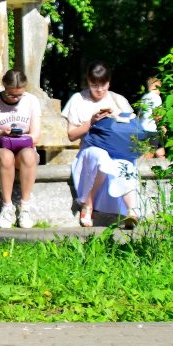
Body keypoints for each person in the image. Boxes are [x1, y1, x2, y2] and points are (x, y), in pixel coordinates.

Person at [61, 61, 137, 227]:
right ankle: (88, 204)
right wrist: (91, 122)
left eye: (103, 85)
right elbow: (71, 135)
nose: (100, 90)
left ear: (109, 83)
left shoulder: (118, 100)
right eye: (95, 85)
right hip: (89, 151)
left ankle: (132, 211)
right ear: (88, 82)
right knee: (101, 156)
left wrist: (115, 119)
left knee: (125, 163)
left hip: (115, 151)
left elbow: (131, 130)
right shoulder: (78, 99)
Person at [0, 69, 43, 229]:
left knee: (29, 155)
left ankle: (25, 207)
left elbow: (35, 136)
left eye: (19, 95)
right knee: (6, 156)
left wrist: (20, 137)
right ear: (4, 86)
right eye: (10, 95)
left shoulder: (32, 101)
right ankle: (7, 207)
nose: (15, 98)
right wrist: (1, 133)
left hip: (24, 148)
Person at [138, 77, 165, 158]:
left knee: (160, 152)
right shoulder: (156, 97)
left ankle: (162, 167)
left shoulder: (144, 97)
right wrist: (162, 125)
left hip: (142, 129)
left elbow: (139, 114)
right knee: (149, 154)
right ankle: (142, 169)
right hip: (151, 130)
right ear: (157, 87)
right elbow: (157, 115)